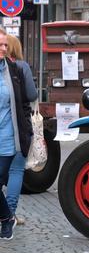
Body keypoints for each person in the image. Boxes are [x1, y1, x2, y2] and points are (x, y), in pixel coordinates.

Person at [0, 28, 33, 240]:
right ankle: (7, 217)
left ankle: (6, 217)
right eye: (0, 45)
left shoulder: (14, 70)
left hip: (7, 139)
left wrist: (26, 132)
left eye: (5, 45)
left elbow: (26, 101)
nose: (4, 49)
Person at [6, 35, 37, 227]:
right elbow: (32, 94)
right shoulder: (21, 67)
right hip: (19, 126)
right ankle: (9, 215)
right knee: (16, 170)